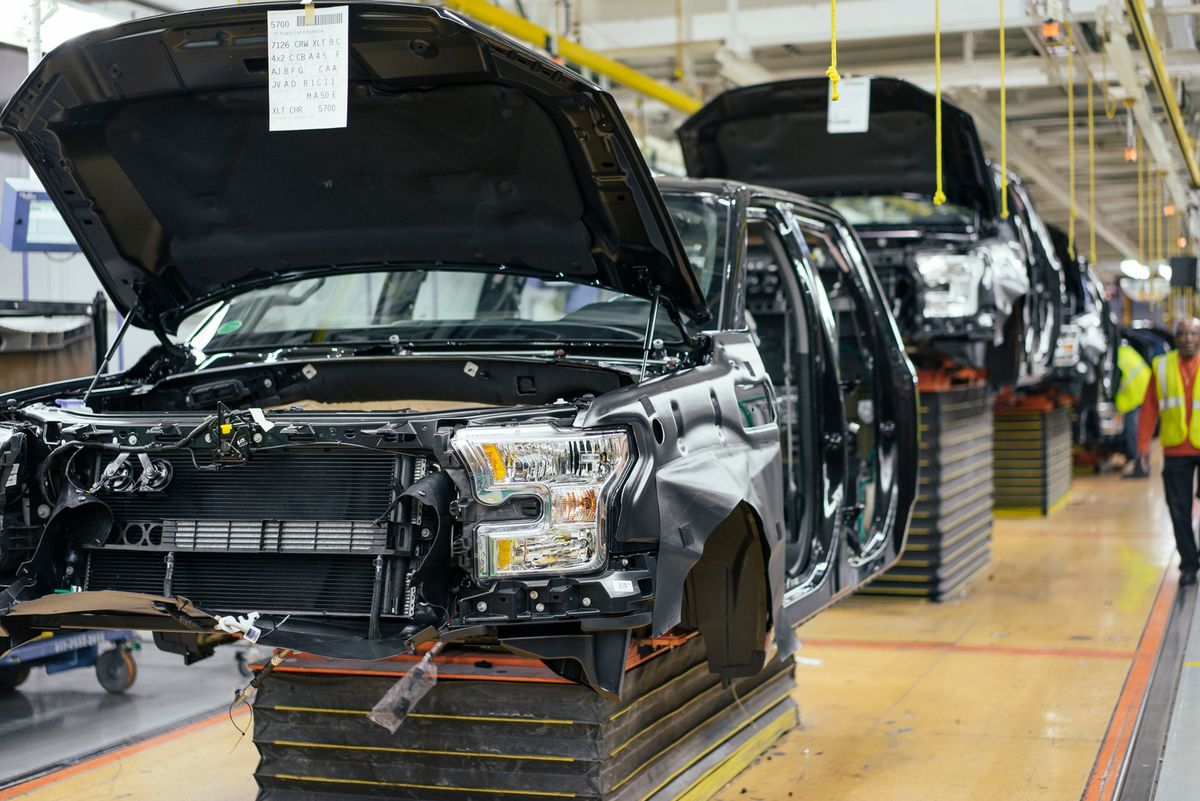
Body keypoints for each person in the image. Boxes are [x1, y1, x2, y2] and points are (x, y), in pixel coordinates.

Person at [1138, 317, 1200, 585]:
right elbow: (1149, 407)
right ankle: (1189, 563)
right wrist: (1142, 446)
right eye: (1182, 333)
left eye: (1193, 333)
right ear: (1175, 338)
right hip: (1175, 449)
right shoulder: (1161, 367)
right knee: (1178, 509)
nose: (1188, 338)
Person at [1117, 340, 1152, 478]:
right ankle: (1142, 465)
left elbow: (1114, 382)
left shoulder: (1115, 358)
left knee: (1134, 434)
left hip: (1135, 395)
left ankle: (1140, 468)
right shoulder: (1125, 351)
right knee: (1140, 433)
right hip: (1144, 390)